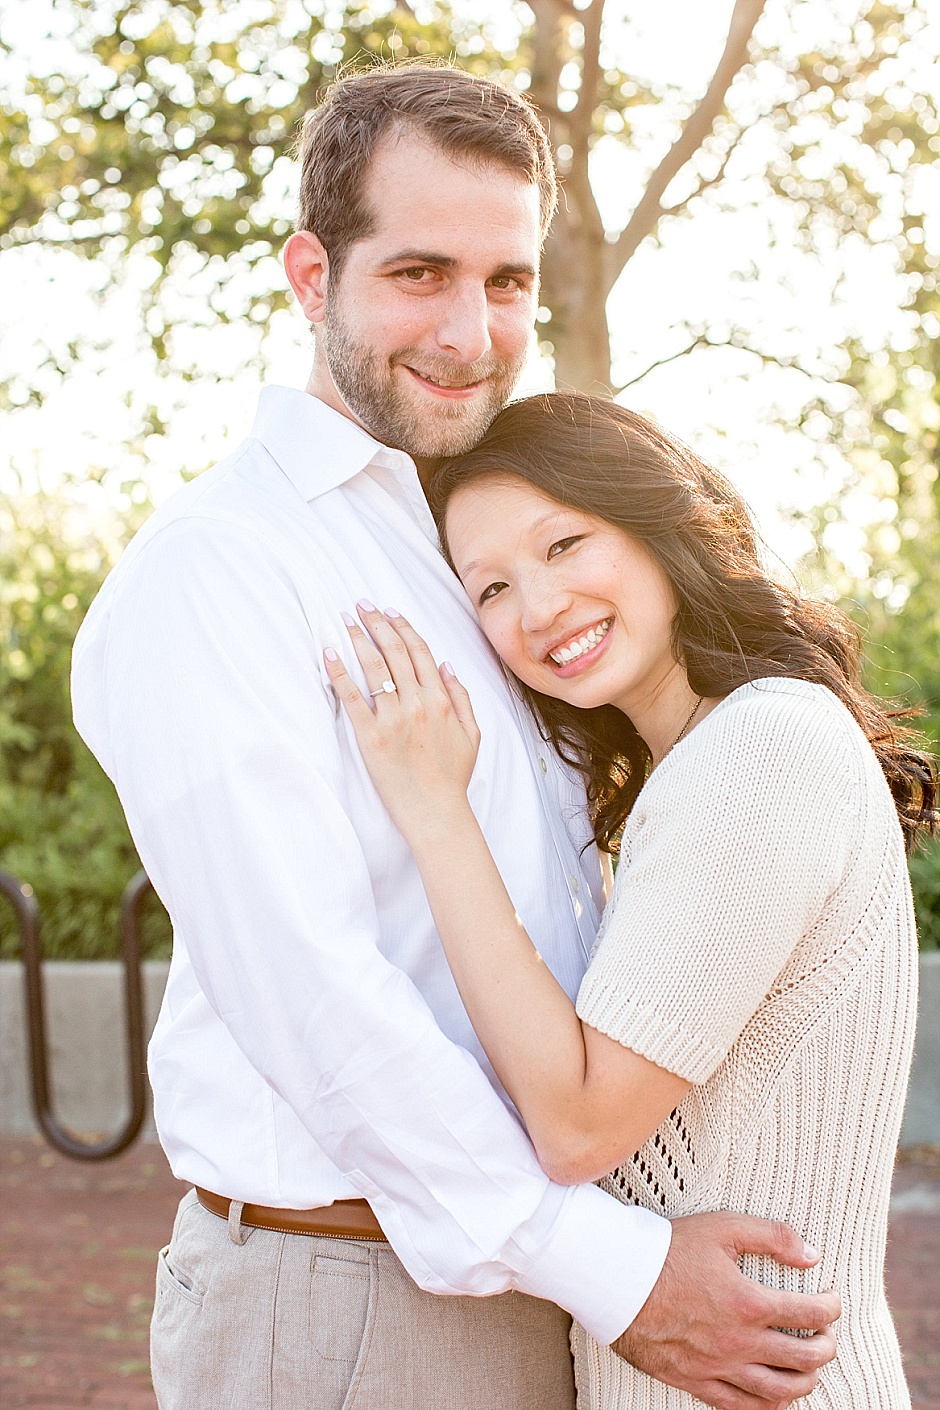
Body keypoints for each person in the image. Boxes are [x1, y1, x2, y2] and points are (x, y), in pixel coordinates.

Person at [71, 65, 840, 1410]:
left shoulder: (463, 535)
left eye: (507, 282)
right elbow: (315, 998)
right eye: (420, 272)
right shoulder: (221, 567)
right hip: (352, 1301)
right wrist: (624, 1273)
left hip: (513, 1275)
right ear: (313, 275)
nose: (473, 330)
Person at [324, 390, 935, 1408]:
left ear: (656, 524)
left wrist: (435, 813)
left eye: (564, 543)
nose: (540, 607)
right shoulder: (694, 769)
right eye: (489, 588)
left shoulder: (759, 752)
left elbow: (576, 1124)